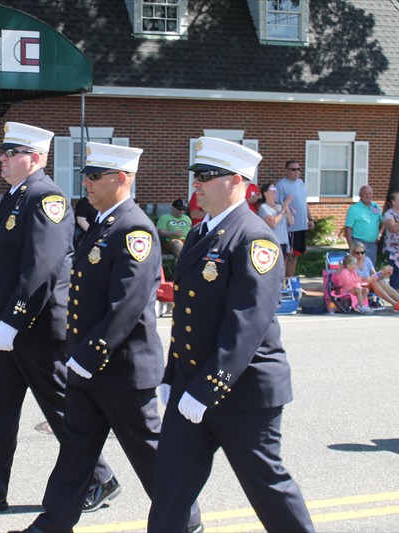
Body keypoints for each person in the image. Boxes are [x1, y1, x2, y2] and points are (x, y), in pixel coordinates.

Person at [17, 143, 201, 533]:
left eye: (95, 175)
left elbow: (128, 304)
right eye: (86, 174)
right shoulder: (103, 222)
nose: (86, 181)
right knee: (75, 453)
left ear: (121, 178)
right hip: (88, 366)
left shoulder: (134, 229)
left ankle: (186, 522)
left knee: (150, 453)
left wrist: (89, 355)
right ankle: (51, 525)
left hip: (120, 369)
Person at [0, 122, 115, 514]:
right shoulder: (16, 196)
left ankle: (100, 477)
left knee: (60, 407)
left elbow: (44, 266)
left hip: (33, 326)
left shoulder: (46, 197)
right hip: (6, 325)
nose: (2, 157)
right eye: (3, 151)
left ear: (34, 158)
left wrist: (15, 319)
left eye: (10, 152)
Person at [148, 137, 314, 533]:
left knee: (267, 488)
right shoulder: (200, 233)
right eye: (196, 176)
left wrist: (206, 388)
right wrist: (174, 377)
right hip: (192, 384)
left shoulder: (254, 238)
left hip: (243, 390)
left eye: (207, 176)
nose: (197, 184)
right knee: (170, 488)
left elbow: (247, 324)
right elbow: (188, 318)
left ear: (238, 181)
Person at [276, 160, 314, 279]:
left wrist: (310, 218)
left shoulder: (301, 183)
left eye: (298, 169)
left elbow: (304, 202)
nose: (296, 172)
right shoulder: (281, 185)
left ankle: (290, 280)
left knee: (296, 254)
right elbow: (278, 205)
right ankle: (283, 282)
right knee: (288, 254)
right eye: (293, 169)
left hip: (301, 225)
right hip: (289, 227)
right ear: (286, 171)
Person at [350, 240, 399, 311]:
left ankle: (397, 300)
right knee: (374, 282)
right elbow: (365, 280)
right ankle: (394, 304)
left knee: (378, 282)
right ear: (353, 253)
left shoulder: (367, 260)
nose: (360, 255)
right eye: (358, 253)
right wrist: (381, 272)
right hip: (357, 286)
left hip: (368, 285)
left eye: (362, 253)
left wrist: (385, 273)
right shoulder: (352, 264)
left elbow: (377, 277)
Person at [258, 182, 294, 278]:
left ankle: (282, 287)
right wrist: (283, 210)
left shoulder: (280, 206)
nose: (274, 192)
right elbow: (273, 223)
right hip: (272, 242)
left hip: (283, 241)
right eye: (271, 190)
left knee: (283, 267)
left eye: (275, 190)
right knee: (274, 267)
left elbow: (291, 222)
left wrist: (286, 208)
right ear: (265, 193)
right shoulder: (263, 208)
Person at [344, 185, 382, 266]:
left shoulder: (375, 207)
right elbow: (348, 229)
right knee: (358, 267)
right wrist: (351, 246)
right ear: (360, 195)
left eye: (370, 194)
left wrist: (379, 234)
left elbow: (383, 221)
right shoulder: (353, 209)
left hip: (372, 244)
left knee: (370, 267)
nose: (368, 196)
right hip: (359, 243)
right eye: (365, 194)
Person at [382, 191, 399, 289]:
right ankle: (396, 301)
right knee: (396, 274)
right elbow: (393, 228)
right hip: (394, 250)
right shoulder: (389, 214)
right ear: (393, 202)